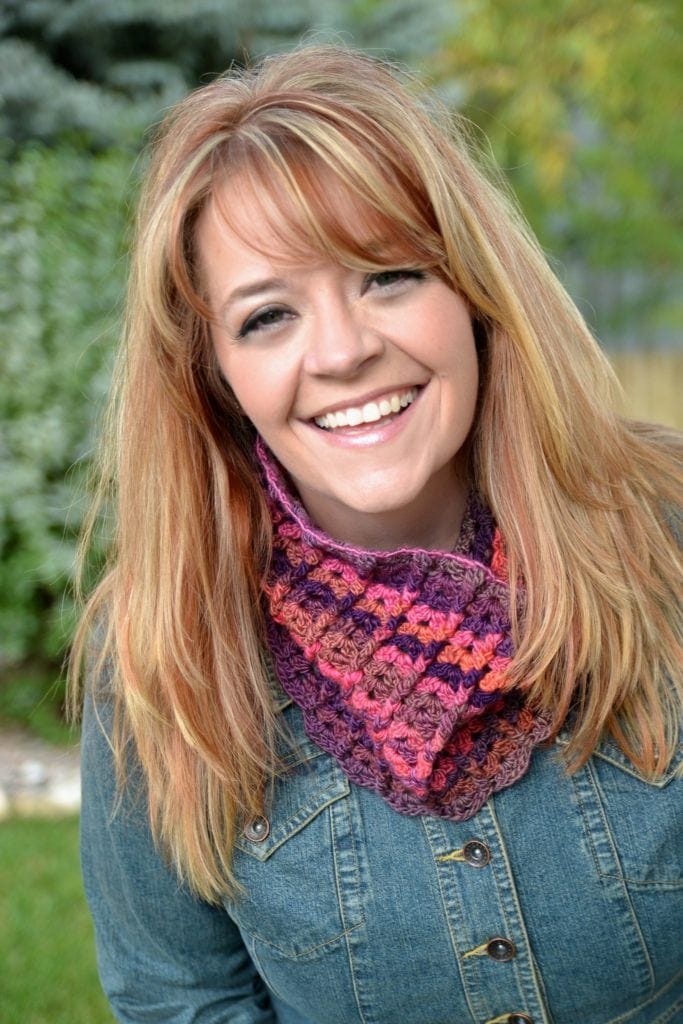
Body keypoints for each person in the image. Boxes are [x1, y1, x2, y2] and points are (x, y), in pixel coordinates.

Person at [71, 44, 682, 1024]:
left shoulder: (665, 535)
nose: (345, 350)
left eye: (387, 275)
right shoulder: (162, 652)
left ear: (474, 295)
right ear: (213, 373)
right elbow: (181, 998)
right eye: (267, 315)